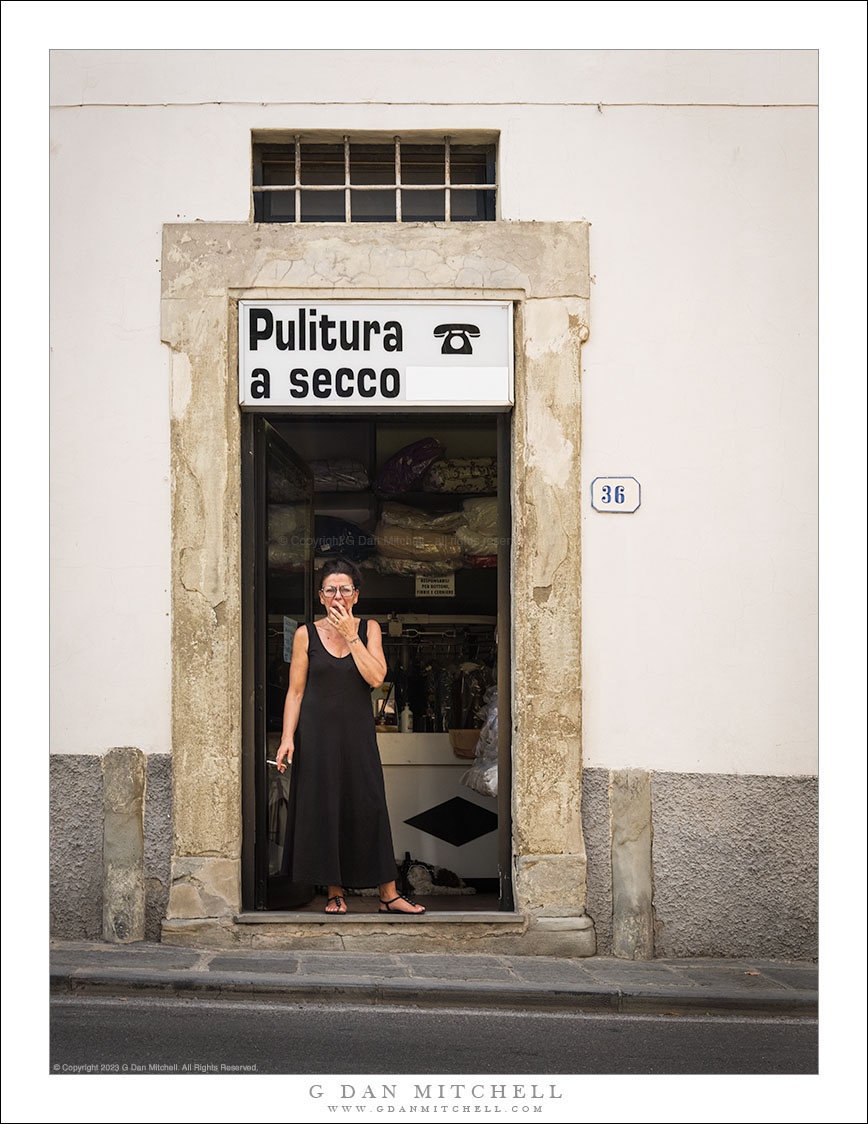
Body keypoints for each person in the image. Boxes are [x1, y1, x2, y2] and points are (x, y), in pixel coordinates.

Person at [276, 558, 426, 915]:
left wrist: (350, 635)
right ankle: (334, 891)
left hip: (358, 737)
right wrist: (287, 738)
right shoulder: (305, 635)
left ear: (355, 595)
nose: (337, 596)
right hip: (317, 738)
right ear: (320, 596)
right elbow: (295, 692)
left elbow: (376, 677)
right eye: (330, 590)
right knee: (326, 809)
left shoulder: (369, 629)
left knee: (370, 806)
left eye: (345, 589)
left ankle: (388, 893)